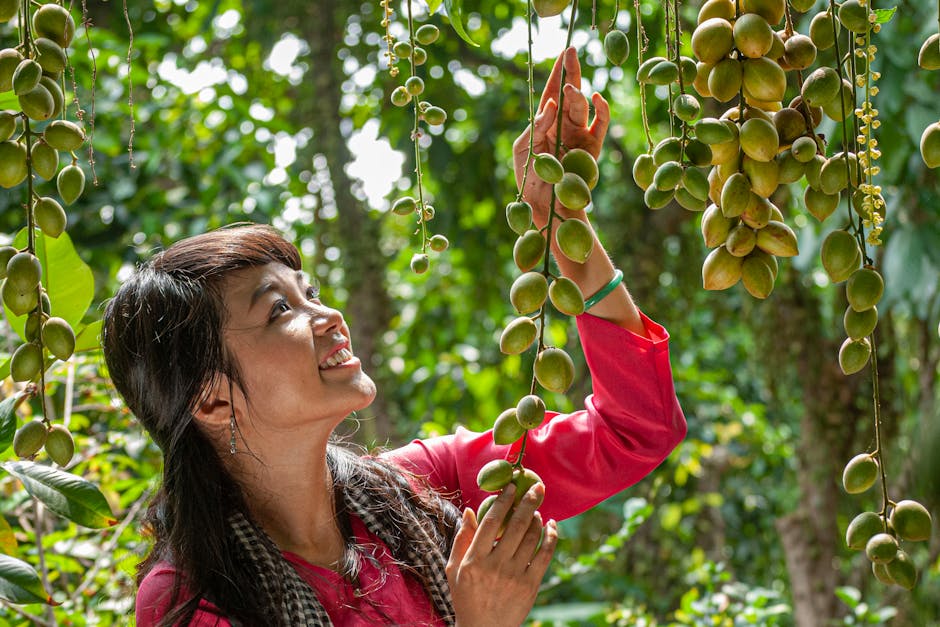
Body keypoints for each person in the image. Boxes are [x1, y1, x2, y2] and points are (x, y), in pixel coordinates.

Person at [102, 47, 686, 626]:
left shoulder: (424, 490)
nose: (328, 316)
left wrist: (563, 228)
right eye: (281, 310)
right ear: (212, 398)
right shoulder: (189, 600)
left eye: (313, 294)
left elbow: (634, 429)